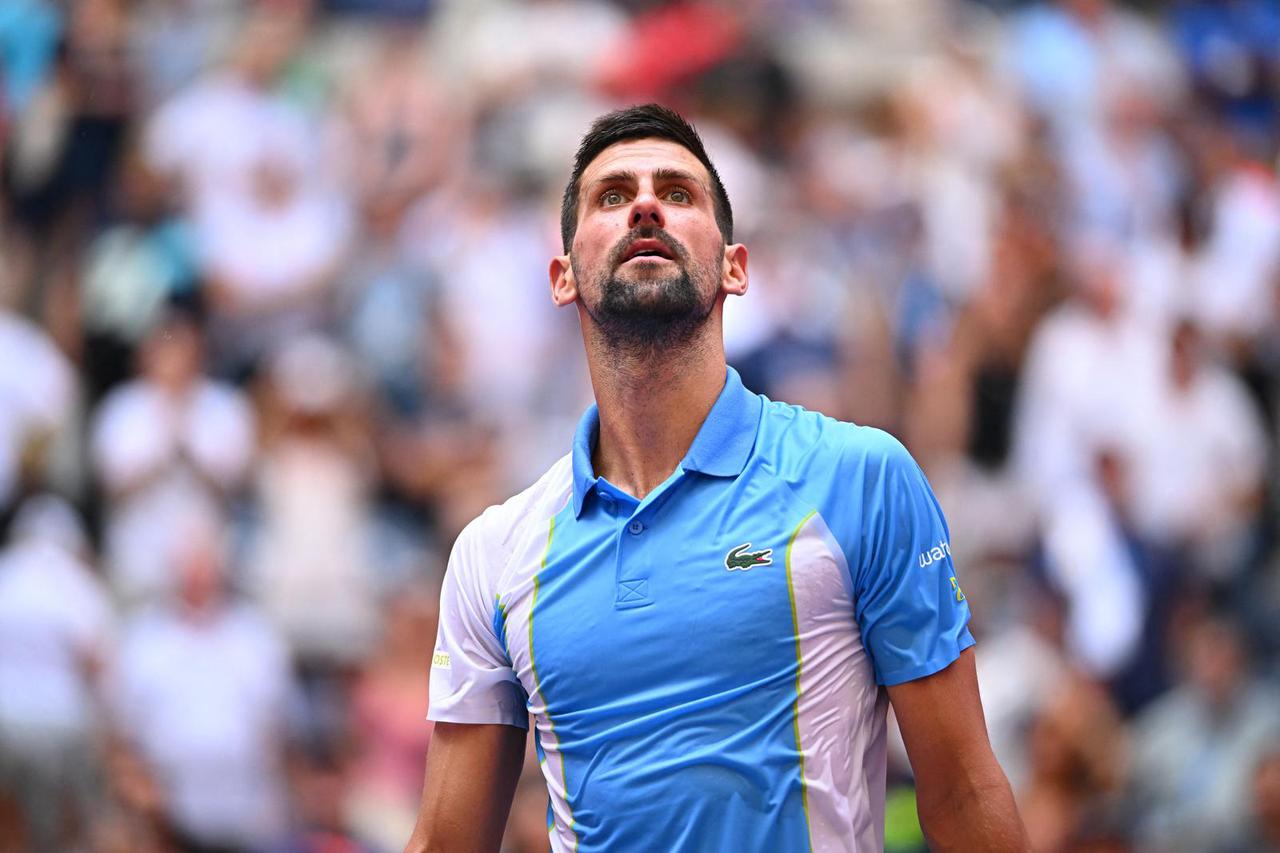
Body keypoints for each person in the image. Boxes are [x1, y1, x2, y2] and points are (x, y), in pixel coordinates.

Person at [405, 104, 1026, 852]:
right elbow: (446, 841)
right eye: (611, 195)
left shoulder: (860, 478)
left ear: (734, 267)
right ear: (563, 278)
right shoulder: (494, 552)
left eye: (677, 192)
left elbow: (962, 789)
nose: (643, 204)